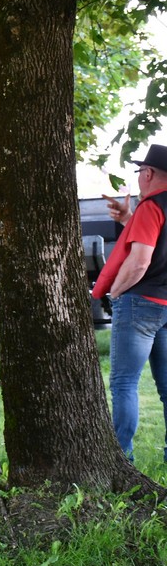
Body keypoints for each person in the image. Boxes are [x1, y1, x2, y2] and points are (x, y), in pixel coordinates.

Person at [92, 143, 167, 462]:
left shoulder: (151, 207)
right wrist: (128, 219)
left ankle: (123, 460)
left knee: (124, 383)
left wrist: (115, 291)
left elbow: (139, 261)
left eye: (140, 172)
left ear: (148, 174)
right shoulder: (151, 210)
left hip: (140, 304)